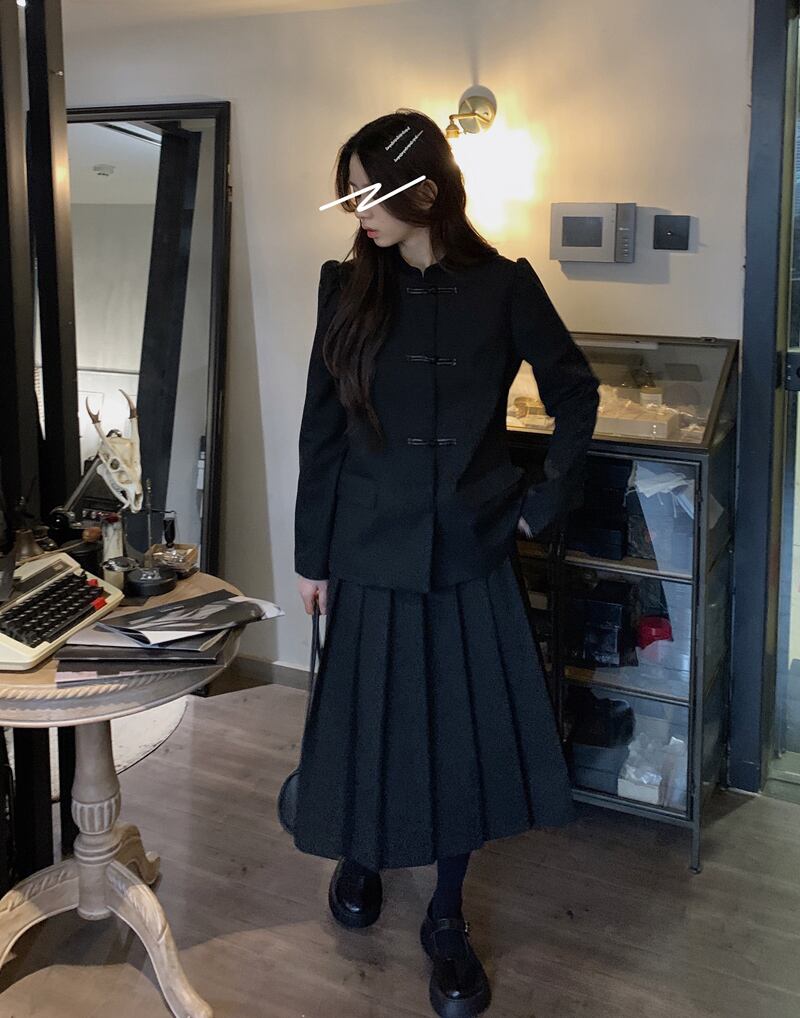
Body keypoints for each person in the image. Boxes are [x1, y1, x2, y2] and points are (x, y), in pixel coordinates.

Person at [293, 108, 600, 1018]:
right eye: (348, 192)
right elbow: (321, 431)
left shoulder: (503, 286)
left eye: (368, 191)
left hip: (472, 551)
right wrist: (311, 557)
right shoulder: (343, 287)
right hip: (367, 549)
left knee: (461, 738)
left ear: (424, 191)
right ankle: (362, 852)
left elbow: (575, 391)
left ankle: (447, 915)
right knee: (368, 722)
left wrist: (542, 503)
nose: (356, 209)